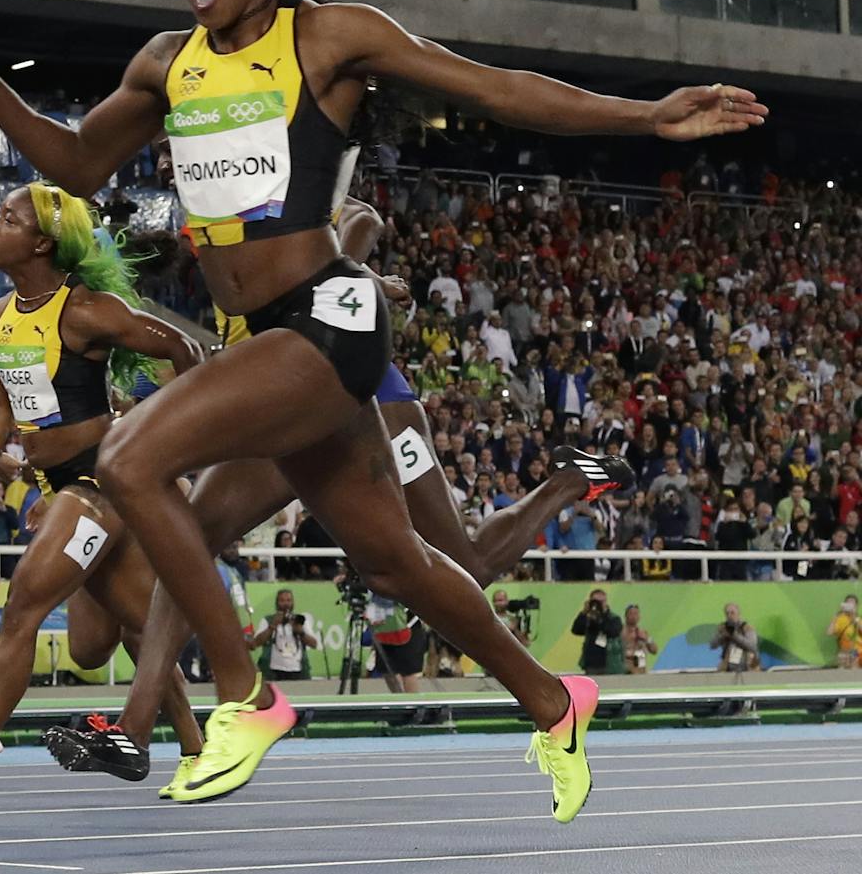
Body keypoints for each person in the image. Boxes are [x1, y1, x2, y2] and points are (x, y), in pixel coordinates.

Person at [0, 0, 761, 815]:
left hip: (329, 317)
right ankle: (552, 698)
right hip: (263, 339)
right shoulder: (167, 62)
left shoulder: (327, 36)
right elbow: (77, 162)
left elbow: (495, 88)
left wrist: (645, 115)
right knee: (394, 559)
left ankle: (247, 696)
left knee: (128, 457)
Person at [47, 173, 629, 793]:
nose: (168, 156)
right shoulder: (206, 192)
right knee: (188, 536)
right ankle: (136, 730)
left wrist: (351, 271)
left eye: (172, 139)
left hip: (362, 390)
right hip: (273, 392)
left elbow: (364, 216)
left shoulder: (272, 166)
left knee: (463, 562)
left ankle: (566, 483)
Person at [0, 184, 205, 816]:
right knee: (108, 638)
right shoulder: (2, 313)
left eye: (7, 219)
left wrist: (172, 443)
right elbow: (0, 409)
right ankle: (198, 752)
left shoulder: (88, 310)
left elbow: (185, 351)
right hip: (58, 487)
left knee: (23, 604)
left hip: (104, 483)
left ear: (41, 242)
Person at [250, 588, 319, 681]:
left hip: (298, 670)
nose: (286, 604)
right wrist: (272, 626)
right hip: (273, 671)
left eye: (289, 600)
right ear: (277, 603)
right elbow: (256, 643)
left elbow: (314, 644)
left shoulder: (300, 620)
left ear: (293, 602)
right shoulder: (268, 620)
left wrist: (300, 632)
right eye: (282, 600)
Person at [570, 589, 622, 675]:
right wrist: (584, 613)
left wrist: (600, 618)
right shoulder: (589, 618)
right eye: (596, 602)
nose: (598, 604)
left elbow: (613, 632)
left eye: (601, 602)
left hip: (609, 662)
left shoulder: (614, 618)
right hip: (591, 663)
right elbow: (576, 630)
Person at [710, 602, 759, 672]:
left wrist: (735, 636)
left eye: (732, 613)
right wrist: (723, 636)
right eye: (727, 613)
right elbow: (712, 645)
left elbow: (753, 646)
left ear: (738, 614)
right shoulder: (723, 628)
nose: (729, 615)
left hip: (748, 666)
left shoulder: (747, 628)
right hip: (727, 667)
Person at [620, 604, 657, 674]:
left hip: (640, 671)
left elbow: (654, 650)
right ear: (625, 616)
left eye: (636, 613)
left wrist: (647, 639)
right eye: (631, 613)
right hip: (625, 671)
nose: (633, 616)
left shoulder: (643, 633)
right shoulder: (620, 633)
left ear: (639, 617)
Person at [827, 595, 861, 670]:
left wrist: (854, 617)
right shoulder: (840, 619)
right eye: (848, 603)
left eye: (852, 604)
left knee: (854, 660)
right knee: (842, 659)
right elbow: (829, 632)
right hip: (846, 651)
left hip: (858, 651)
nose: (850, 606)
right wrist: (835, 618)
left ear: (856, 606)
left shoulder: (859, 619)